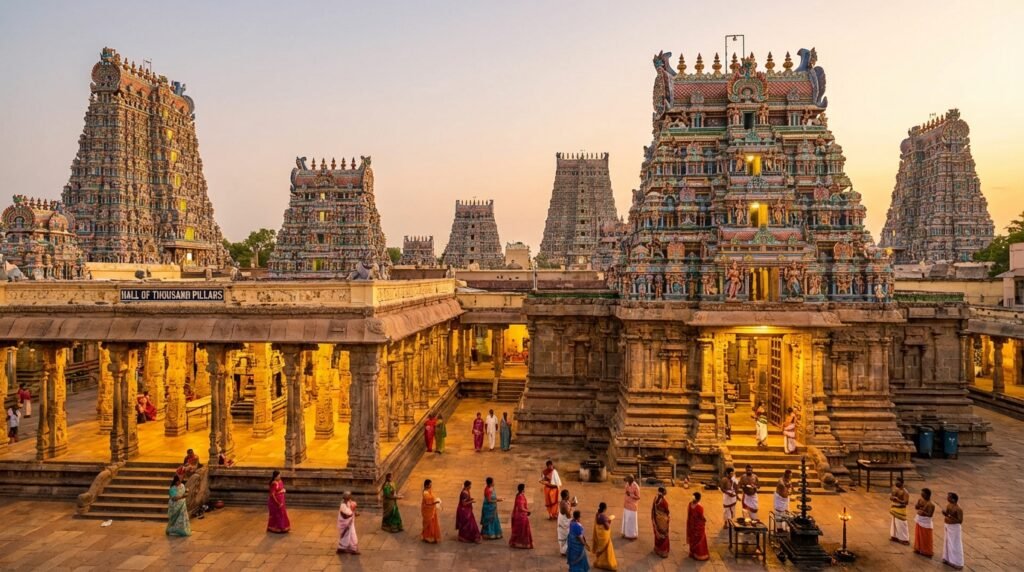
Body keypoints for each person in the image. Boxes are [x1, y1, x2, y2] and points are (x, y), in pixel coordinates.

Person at [592, 502, 618, 570]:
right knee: (607, 551)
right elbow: (607, 527)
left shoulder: (597, 514)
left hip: (599, 535)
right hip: (604, 537)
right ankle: (608, 564)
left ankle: (599, 562)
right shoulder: (603, 517)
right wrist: (609, 521)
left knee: (601, 550)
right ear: (604, 509)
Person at [941, 492, 964, 570]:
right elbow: (947, 514)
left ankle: (957, 562)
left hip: (955, 528)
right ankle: (947, 558)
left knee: (955, 544)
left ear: (953, 499)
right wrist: (945, 514)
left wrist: (948, 516)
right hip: (948, 526)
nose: (947, 498)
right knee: (947, 542)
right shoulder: (948, 505)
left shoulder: (958, 509)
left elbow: (960, 520)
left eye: (949, 497)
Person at [509, 483, 534, 549]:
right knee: (522, 531)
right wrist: (528, 511)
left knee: (519, 530)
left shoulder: (520, 495)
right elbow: (521, 508)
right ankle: (521, 543)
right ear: (523, 489)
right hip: (521, 517)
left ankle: (517, 543)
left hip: (521, 516)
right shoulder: (520, 497)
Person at [686, 492, 710, 561]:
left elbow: (689, 514)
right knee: (700, 539)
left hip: (691, 525)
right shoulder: (699, 507)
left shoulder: (690, 504)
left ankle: (692, 552)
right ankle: (699, 554)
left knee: (693, 538)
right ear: (699, 499)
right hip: (698, 525)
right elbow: (701, 517)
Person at [913, 487, 935, 558]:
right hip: (919, 520)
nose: (922, 495)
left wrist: (923, 512)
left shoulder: (931, 505)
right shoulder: (920, 500)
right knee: (918, 535)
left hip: (925, 522)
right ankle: (918, 548)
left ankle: (926, 551)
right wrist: (917, 506)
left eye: (923, 494)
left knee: (925, 537)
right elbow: (916, 507)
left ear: (928, 495)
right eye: (921, 494)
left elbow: (930, 515)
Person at [889, 478, 910, 545]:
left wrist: (898, 500)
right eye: (895, 481)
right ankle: (894, 536)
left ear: (902, 483)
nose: (896, 483)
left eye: (897, 482)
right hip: (894, 508)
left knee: (902, 524)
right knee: (894, 523)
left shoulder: (905, 492)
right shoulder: (895, 489)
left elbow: (906, 503)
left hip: (900, 509)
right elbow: (891, 497)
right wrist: (892, 497)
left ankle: (904, 539)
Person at [651, 486, 671, 558]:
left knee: (657, 534)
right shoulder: (664, 502)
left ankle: (657, 548)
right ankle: (663, 551)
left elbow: (653, 509)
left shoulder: (655, 498)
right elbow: (667, 511)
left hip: (656, 519)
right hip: (663, 521)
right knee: (664, 535)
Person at [421, 479, 443, 543]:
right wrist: (435, 502)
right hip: (428, 510)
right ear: (426, 485)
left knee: (433, 523)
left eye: (431, 484)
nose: (431, 486)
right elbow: (428, 503)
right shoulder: (425, 493)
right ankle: (428, 537)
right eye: (430, 485)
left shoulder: (428, 490)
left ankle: (432, 536)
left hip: (432, 509)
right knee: (429, 523)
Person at [621, 475, 640, 540]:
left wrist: (631, 495)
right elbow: (626, 491)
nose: (627, 482)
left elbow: (638, 497)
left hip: (632, 506)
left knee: (631, 521)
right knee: (626, 520)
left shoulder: (636, 486)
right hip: (626, 505)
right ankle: (625, 533)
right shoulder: (627, 484)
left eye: (628, 480)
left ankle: (632, 535)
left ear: (631, 480)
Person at [557, 489, 576, 555]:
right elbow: (568, 516)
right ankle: (564, 551)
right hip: (565, 523)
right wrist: (571, 508)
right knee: (568, 535)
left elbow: (569, 503)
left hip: (562, 522)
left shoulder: (564, 501)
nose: (569, 496)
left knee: (566, 536)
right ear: (565, 496)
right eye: (568, 495)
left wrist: (572, 503)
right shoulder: (564, 504)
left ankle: (565, 550)